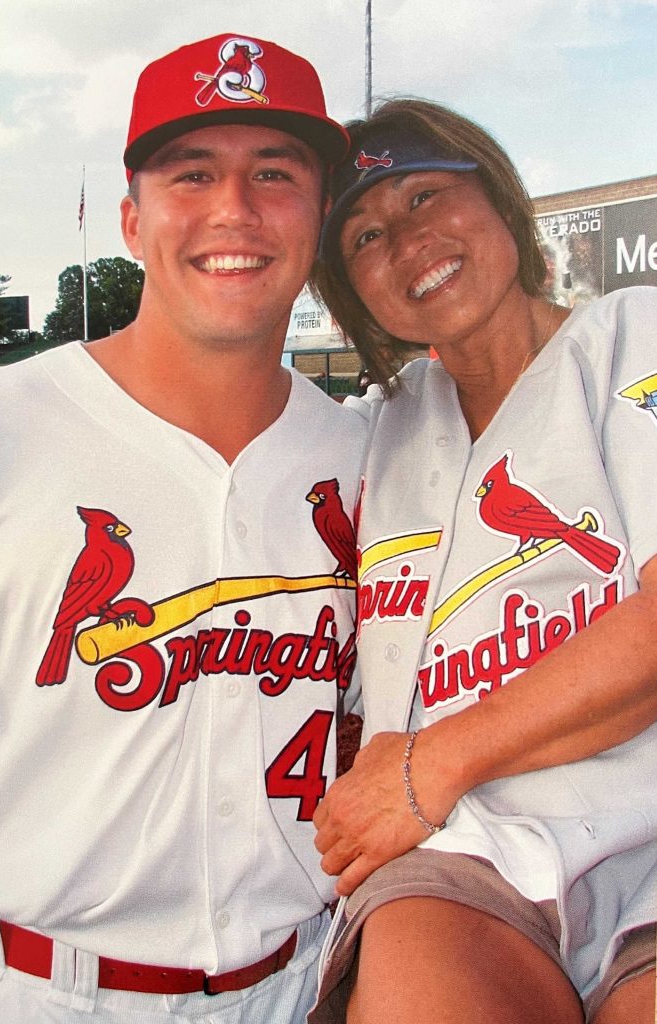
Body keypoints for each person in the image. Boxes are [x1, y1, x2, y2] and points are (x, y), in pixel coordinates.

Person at [0, 33, 368, 1023]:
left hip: (299, 985)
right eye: (191, 172)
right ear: (131, 217)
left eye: (276, 173)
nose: (234, 211)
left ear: (321, 212)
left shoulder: (370, 455)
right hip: (42, 991)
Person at [310, 99, 657, 1024]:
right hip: (465, 853)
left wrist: (429, 764)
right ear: (353, 297)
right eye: (364, 236)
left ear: (498, 197)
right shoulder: (373, 430)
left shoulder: (632, 336)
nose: (407, 239)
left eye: (427, 194)